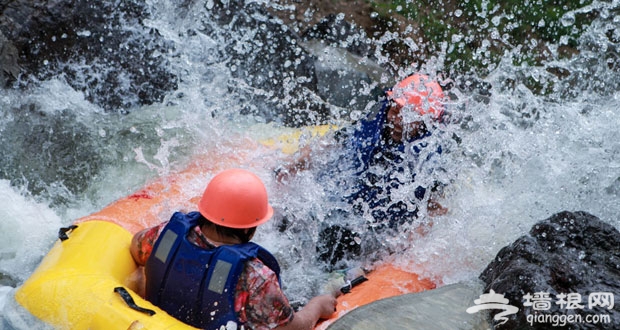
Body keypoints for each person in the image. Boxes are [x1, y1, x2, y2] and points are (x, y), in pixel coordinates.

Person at [275, 73, 448, 267]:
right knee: (296, 218)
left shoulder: (431, 161)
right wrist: (289, 167)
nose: (398, 120)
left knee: (337, 242)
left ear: (426, 122)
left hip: (383, 229)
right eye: (396, 110)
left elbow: (434, 211)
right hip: (348, 206)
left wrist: (398, 249)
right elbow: (331, 143)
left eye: (409, 116)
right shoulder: (375, 120)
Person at [130, 168, 337, 330]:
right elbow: (291, 328)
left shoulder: (166, 235)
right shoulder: (255, 276)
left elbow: (136, 247)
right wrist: (317, 307)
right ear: (249, 228)